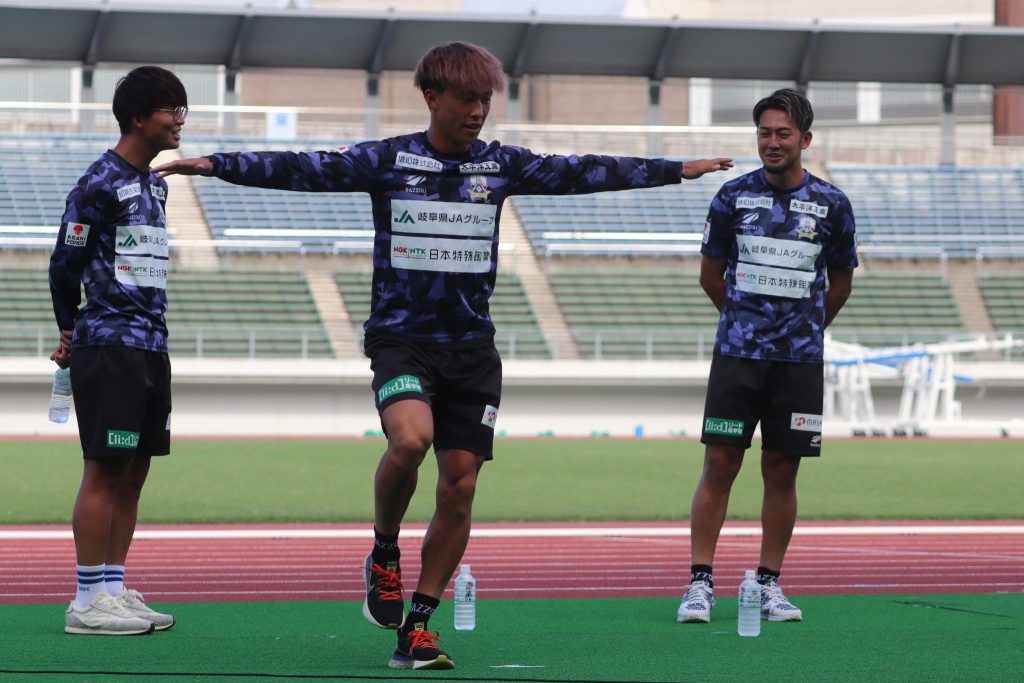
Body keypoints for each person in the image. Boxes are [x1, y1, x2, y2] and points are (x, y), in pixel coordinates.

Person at [155, 42, 731, 669]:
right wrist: (216, 164)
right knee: (410, 441)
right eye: (466, 99)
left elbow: (582, 171)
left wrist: (674, 169)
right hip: (401, 340)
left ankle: (419, 627)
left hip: (472, 351)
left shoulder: (501, 164)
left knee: (460, 487)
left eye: (485, 100)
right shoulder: (389, 160)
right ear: (431, 98)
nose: (478, 111)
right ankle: (384, 551)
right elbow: (304, 166)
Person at [676, 88, 857, 625]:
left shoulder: (832, 204)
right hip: (738, 357)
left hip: (799, 362)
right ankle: (700, 584)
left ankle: (769, 583)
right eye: (764, 133)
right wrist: (745, 325)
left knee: (782, 469)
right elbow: (710, 276)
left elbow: (841, 283)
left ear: (805, 139)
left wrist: (804, 330)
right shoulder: (732, 197)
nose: (772, 142)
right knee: (720, 463)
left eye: (783, 133)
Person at [50, 66, 185, 636]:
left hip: (151, 343)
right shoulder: (97, 184)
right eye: (172, 110)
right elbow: (65, 262)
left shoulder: (157, 185)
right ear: (137, 117)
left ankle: (111, 588)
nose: (180, 121)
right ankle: (85, 601)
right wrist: (68, 327)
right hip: (109, 344)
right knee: (105, 470)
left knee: (134, 474)